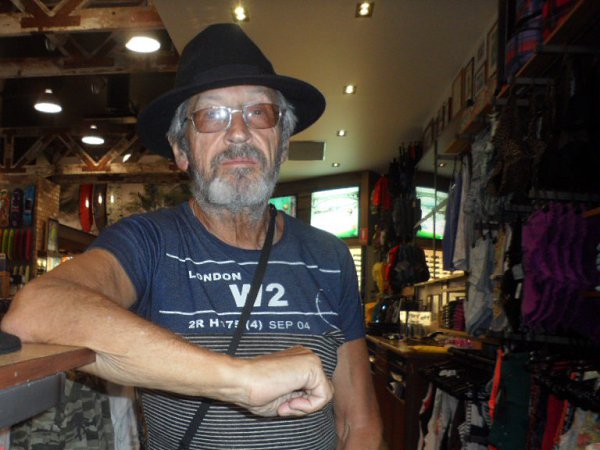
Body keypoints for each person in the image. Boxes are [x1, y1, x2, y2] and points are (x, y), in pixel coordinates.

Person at [1, 23, 383, 449]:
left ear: (283, 143)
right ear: (181, 151)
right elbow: (32, 313)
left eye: (259, 113)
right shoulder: (148, 244)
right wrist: (242, 380)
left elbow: (359, 424)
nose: (238, 132)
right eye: (211, 116)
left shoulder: (330, 257)